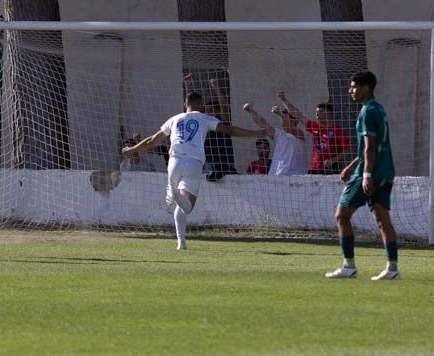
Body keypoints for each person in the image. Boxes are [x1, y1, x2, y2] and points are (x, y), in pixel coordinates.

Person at [121, 91, 264, 250]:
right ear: (201, 105)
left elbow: (152, 140)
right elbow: (229, 130)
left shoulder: (174, 119)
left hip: (173, 162)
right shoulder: (204, 118)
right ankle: (175, 194)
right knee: (187, 206)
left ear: (185, 104)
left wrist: (132, 149)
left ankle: (181, 242)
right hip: (193, 163)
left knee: (179, 206)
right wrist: (255, 133)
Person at [326, 71, 400, 281]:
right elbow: (372, 147)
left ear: (366, 87)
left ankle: (348, 266)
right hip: (386, 171)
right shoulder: (379, 109)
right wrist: (351, 165)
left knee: (341, 216)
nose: (350, 91)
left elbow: (370, 146)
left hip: (370, 173)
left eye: (353, 87)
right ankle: (393, 269)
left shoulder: (367, 111)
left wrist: (365, 174)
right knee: (382, 219)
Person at [242, 91, 311, 175]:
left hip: (295, 176)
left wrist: (280, 113)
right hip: (276, 176)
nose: (282, 120)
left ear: (295, 120)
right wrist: (251, 111)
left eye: (286, 117)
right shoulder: (279, 134)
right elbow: (263, 124)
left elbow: (290, 128)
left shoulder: (303, 133)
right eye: (282, 118)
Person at [306, 101, 351, 175]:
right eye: (316, 112)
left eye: (320, 111)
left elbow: (347, 151)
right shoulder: (316, 127)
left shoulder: (338, 131)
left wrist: (332, 160)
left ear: (329, 113)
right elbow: (298, 115)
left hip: (331, 169)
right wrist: (284, 101)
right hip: (314, 168)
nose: (317, 114)